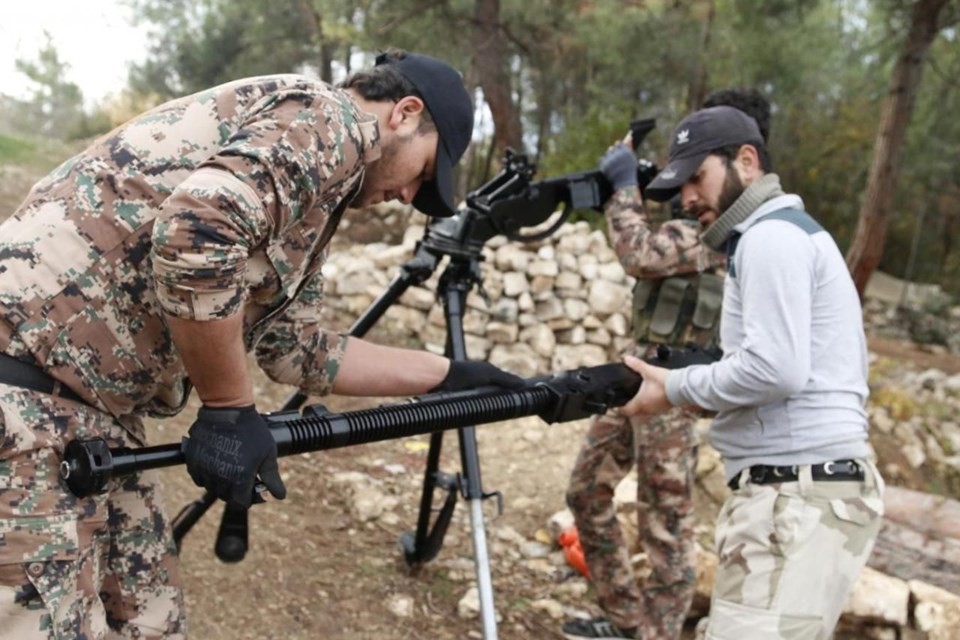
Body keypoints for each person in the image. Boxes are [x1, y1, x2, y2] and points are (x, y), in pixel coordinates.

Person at [0, 50, 523, 639]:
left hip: (94, 414)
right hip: (24, 392)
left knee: (150, 618)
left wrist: (448, 375)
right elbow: (197, 232)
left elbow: (295, 349)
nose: (408, 197)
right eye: (423, 176)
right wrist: (228, 410)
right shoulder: (327, 120)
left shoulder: (312, 199)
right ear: (404, 113)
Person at [621, 105, 884, 639]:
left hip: (796, 496)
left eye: (697, 178)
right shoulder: (782, 234)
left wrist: (673, 386)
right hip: (804, 493)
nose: (687, 198)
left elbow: (774, 370)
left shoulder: (769, 237)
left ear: (747, 159)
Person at [561, 89, 770, 640]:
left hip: (676, 390)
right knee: (585, 492)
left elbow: (641, 253)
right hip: (634, 377)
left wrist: (625, 186)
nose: (690, 190)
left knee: (666, 523)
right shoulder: (702, 213)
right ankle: (631, 620)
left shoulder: (729, 226)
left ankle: (653, 632)